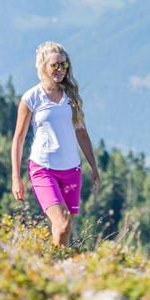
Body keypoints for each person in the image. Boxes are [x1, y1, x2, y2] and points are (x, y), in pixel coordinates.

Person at [11, 41, 101, 246]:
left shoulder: (71, 97)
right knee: (62, 224)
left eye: (64, 65)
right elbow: (18, 139)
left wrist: (94, 168)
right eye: (55, 65)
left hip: (71, 170)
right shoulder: (31, 98)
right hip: (43, 169)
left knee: (64, 228)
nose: (60, 69)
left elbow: (82, 133)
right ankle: (54, 267)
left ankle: (55, 267)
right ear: (43, 66)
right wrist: (16, 178)